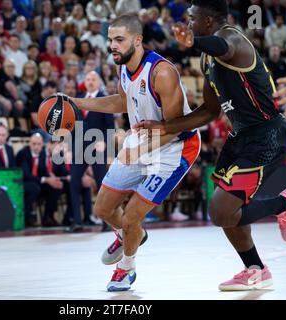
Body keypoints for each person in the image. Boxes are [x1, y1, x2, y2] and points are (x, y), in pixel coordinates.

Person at [133, 0, 286, 291]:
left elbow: (224, 47)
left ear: (208, 21)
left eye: (191, 18)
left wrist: (194, 42)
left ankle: (284, 203)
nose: (187, 23)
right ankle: (256, 269)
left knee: (221, 211)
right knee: (228, 209)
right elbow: (210, 112)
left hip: (268, 134)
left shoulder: (233, 39)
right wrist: (166, 126)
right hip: (241, 136)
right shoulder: (206, 59)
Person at [67, 14, 201, 291]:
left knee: (131, 217)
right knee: (103, 207)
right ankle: (130, 236)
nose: (112, 46)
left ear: (137, 40)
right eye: (110, 41)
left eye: (119, 40)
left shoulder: (162, 73)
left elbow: (175, 128)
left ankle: (126, 268)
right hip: (141, 139)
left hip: (174, 147)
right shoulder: (123, 67)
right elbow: (122, 101)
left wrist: (140, 148)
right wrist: (78, 102)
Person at [66, 71, 115, 233]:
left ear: (99, 82)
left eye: (93, 79)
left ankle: (107, 221)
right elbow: (71, 125)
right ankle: (78, 222)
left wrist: (104, 143)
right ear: (84, 82)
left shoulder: (103, 99)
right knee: (74, 183)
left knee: (103, 185)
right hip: (79, 149)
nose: (90, 81)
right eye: (87, 79)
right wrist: (68, 147)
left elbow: (110, 126)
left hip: (97, 148)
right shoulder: (79, 98)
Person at [16, 133, 67, 227]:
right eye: (34, 144)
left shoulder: (42, 154)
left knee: (56, 186)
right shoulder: (23, 154)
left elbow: (43, 171)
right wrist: (46, 179)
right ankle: (26, 217)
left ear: (42, 145)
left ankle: (48, 217)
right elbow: (26, 175)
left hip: (38, 182)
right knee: (34, 188)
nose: (36, 147)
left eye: (39, 144)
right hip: (23, 182)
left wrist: (52, 179)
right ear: (29, 144)